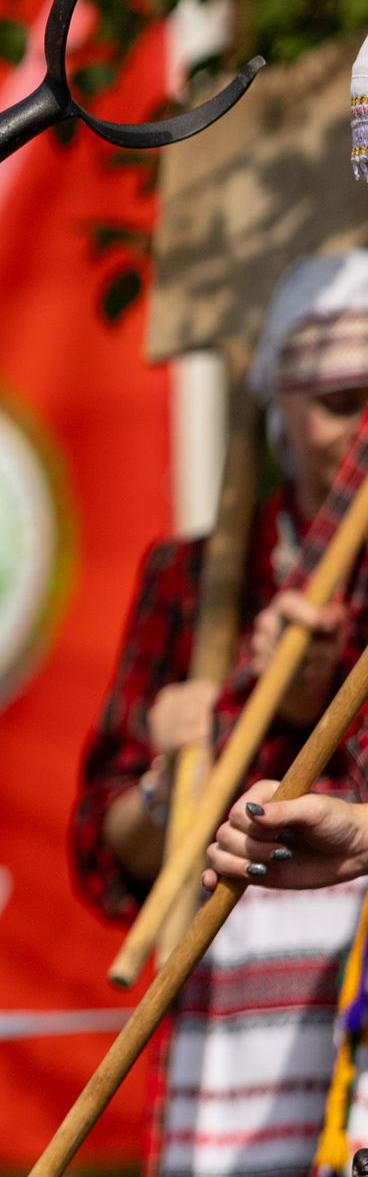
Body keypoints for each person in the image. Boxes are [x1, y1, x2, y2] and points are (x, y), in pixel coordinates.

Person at [140, 251, 368, 1176]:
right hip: (232, 1014)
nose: (365, 428)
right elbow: (109, 853)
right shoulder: (197, 579)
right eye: (341, 399)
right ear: (282, 407)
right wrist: (183, 761)